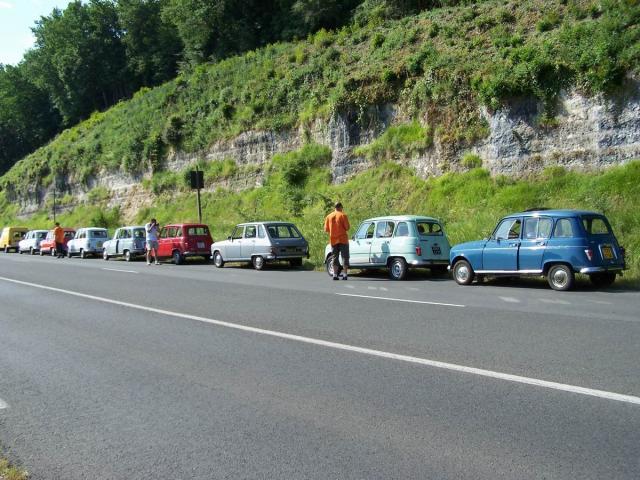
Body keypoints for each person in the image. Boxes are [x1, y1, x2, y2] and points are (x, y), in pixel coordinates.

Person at [324, 202, 350, 280]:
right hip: (343, 239)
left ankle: (335, 274)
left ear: (334, 207)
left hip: (333, 239)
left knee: (335, 257)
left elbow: (326, 229)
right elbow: (347, 227)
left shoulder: (328, 216)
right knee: (345, 256)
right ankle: (345, 274)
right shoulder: (343, 215)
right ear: (340, 207)